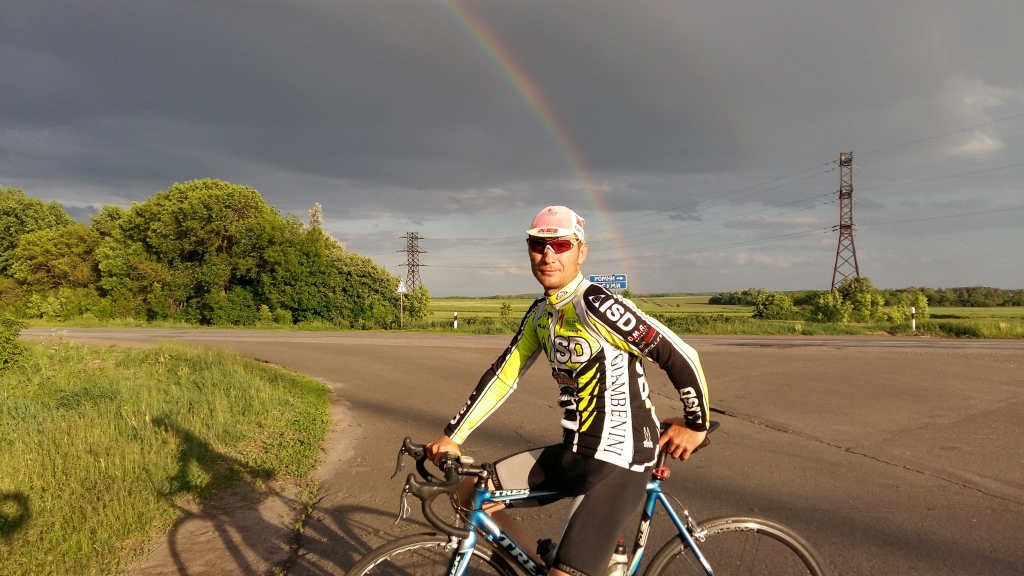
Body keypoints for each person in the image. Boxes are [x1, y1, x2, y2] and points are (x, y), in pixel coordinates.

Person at [426, 206, 710, 576]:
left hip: (618, 460)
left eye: (561, 245)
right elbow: (503, 376)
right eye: (538, 245)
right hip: (575, 452)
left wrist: (696, 424)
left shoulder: (597, 305)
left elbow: (680, 355)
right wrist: (453, 435)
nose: (548, 255)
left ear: (581, 252)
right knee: (469, 493)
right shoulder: (541, 312)